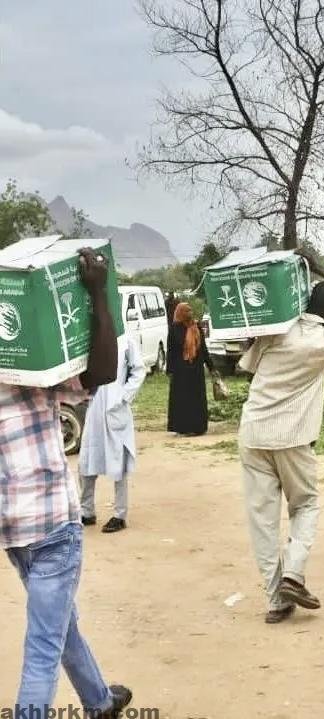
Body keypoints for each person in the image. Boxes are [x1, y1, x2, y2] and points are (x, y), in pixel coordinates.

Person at [1, 249, 132, 715]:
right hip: (53, 525)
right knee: (43, 643)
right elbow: (103, 371)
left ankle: (99, 701)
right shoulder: (29, 370)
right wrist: (97, 293)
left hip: (12, 529)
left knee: (58, 621)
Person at [238, 250, 324, 624]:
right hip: (292, 437)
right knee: (305, 505)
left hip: (253, 432)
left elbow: (247, 363)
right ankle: (293, 575)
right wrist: (318, 266)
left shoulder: (277, 331)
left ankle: (277, 601)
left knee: (262, 520)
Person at [79, 332, 147, 534]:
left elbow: (139, 370)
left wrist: (124, 396)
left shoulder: (125, 339)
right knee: (86, 461)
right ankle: (86, 511)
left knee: (119, 463)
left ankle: (120, 515)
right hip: (94, 406)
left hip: (115, 407)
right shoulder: (88, 336)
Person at [167, 302, 215, 436]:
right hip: (180, 371)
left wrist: (211, 367)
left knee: (197, 399)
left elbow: (203, 349)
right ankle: (182, 427)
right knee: (182, 399)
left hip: (196, 370)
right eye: (186, 311)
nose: (189, 313)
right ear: (180, 313)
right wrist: (170, 371)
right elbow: (171, 351)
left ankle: (198, 427)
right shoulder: (174, 328)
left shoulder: (196, 327)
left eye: (190, 311)